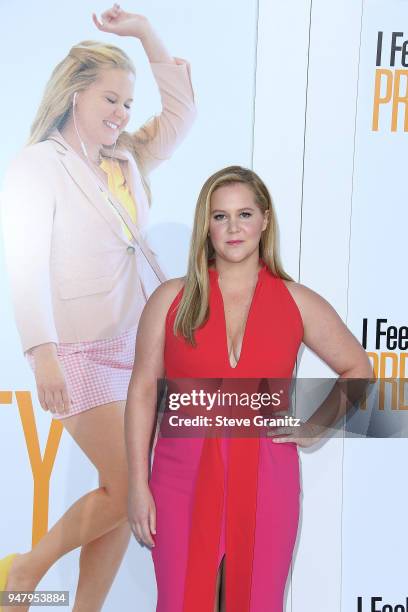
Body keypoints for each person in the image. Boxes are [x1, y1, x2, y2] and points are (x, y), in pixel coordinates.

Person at [0, 4, 195, 611]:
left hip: (133, 346)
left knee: (120, 490)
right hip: (77, 349)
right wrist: (42, 353)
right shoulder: (37, 164)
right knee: (128, 486)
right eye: (110, 100)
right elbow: (24, 262)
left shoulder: (127, 158)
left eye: (128, 104)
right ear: (75, 95)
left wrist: (142, 33)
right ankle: (24, 572)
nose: (121, 115)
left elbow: (183, 117)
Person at [125, 166, 373, 611]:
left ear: (265, 221)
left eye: (244, 214)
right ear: (207, 226)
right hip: (180, 481)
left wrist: (316, 427)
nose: (233, 227)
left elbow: (357, 368)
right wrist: (138, 484)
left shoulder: (296, 302)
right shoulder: (170, 300)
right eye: (220, 217)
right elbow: (143, 390)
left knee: (257, 603)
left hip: (267, 480)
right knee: (181, 603)